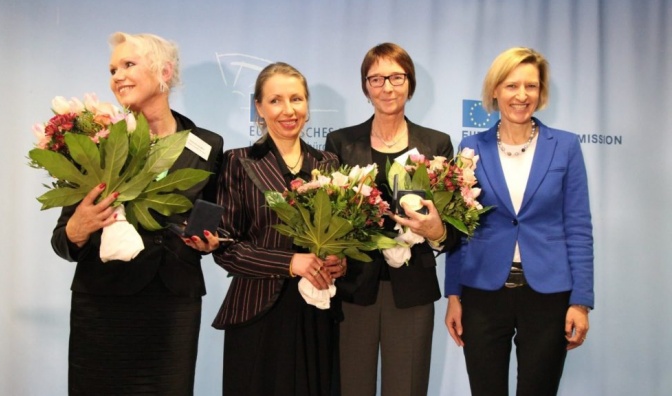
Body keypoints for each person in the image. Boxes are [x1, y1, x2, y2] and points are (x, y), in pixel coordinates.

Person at [50, 32, 224, 395]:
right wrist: (77, 229)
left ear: (164, 71)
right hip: (103, 304)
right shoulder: (96, 139)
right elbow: (63, 241)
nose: (117, 76)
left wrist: (208, 243)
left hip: (174, 304)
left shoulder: (208, 144)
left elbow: (209, 219)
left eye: (129, 64)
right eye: (113, 69)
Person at [444, 47, 594, 396]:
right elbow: (459, 227)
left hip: (548, 294)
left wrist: (580, 301)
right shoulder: (470, 147)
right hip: (482, 292)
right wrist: (454, 293)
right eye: (512, 86)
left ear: (541, 93)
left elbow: (579, 227)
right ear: (495, 91)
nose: (522, 95)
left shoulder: (566, 146)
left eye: (531, 86)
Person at [324, 43, 458, 396]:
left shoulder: (436, 144)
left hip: (412, 289)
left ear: (410, 84)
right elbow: (328, 217)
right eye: (377, 78)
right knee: (352, 387)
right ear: (365, 86)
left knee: (408, 388)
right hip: (354, 287)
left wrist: (438, 232)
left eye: (396, 77)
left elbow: (452, 227)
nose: (387, 87)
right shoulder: (341, 142)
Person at [212, 62, 346, 396]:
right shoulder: (239, 162)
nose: (288, 110)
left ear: (307, 105)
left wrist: (340, 262)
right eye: (275, 101)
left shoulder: (328, 164)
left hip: (316, 310)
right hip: (258, 313)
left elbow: (342, 234)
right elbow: (225, 247)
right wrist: (290, 263)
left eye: (296, 99)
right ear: (259, 107)